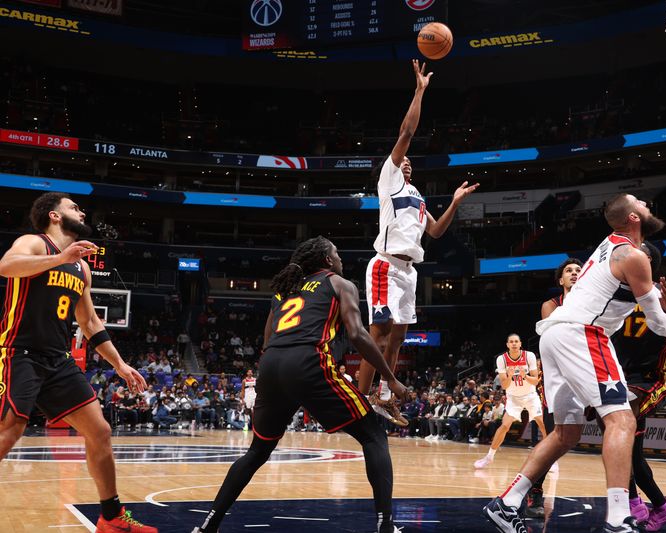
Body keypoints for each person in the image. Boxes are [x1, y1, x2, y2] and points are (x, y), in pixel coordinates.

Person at [483, 194, 666, 533]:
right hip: (583, 332)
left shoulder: (609, 246)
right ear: (633, 217)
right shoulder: (632, 255)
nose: (646, 203)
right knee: (622, 420)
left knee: (566, 434)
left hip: (553, 336)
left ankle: (506, 503)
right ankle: (617, 516)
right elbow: (656, 321)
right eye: (640, 201)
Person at [194, 237, 407, 533]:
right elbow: (358, 334)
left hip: (271, 366)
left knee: (257, 451)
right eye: (337, 254)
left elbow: (268, 341)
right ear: (328, 260)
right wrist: (391, 378)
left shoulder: (283, 290)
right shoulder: (339, 283)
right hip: (307, 362)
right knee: (373, 436)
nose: (341, 259)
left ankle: (207, 526)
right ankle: (386, 526)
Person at [0, 192, 156, 532]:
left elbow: (89, 323)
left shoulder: (81, 266)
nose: (81, 212)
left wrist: (119, 364)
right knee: (10, 428)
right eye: (73, 207)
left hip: (58, 359)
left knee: (99, 431)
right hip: (19, 351)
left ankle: (112, 518)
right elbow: (6, 267)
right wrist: (59, 258)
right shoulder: (35, 242)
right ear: (54, 216)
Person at [360, 59, 479, 426]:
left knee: (397, 341)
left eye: (410, 161)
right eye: (403, 159)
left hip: (410, 272)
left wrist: (455, 203)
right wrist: (419, 91)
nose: (407, 161)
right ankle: (361, 402)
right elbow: (408, 133)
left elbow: (437, 232)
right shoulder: (389, 180)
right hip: (385, 265)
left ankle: (383, 398)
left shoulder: (417, 196)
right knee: (378, 336)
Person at [609, 241, 666, 531]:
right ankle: (652, 505)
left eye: (642, 256)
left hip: (648, 379)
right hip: (617, 376)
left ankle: (643, 505)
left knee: (621, 438)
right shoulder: (612, 292)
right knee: (625, 449)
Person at [525, 257, 583, 519]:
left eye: (578, 271)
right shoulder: (550, 305)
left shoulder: (592, 303)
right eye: (569, 271)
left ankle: (626, 498)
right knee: (554, 439)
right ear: (560, 280)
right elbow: (555, 336)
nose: (574, 273)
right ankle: (534, 491)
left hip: (586, 376)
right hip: (558, 380)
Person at [474, 334, 541, 468]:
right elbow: (504, 386)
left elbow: (535, 380)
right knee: (504, 426)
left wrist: (525, 376)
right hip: (513, 398)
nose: (514, 344)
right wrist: (510, 376)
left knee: (543, 424)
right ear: (507, 345)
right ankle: (489, 457)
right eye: (511, 342)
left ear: (520, 343)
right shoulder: (502, 359)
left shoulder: (529, 356)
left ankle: (550, 461)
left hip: (530, 395)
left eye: (516, 341)